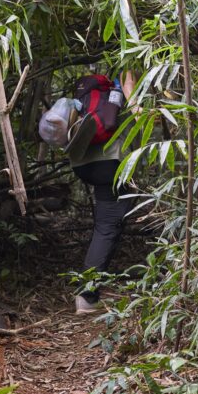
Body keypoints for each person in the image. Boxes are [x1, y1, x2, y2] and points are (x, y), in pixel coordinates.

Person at [69, 70, 137, 314]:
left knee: (111, 222)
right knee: (107, 226)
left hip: (83, 164)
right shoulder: (119, 91)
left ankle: (91, 291)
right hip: (110, 163)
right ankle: (86, 296)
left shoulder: (87, 98)